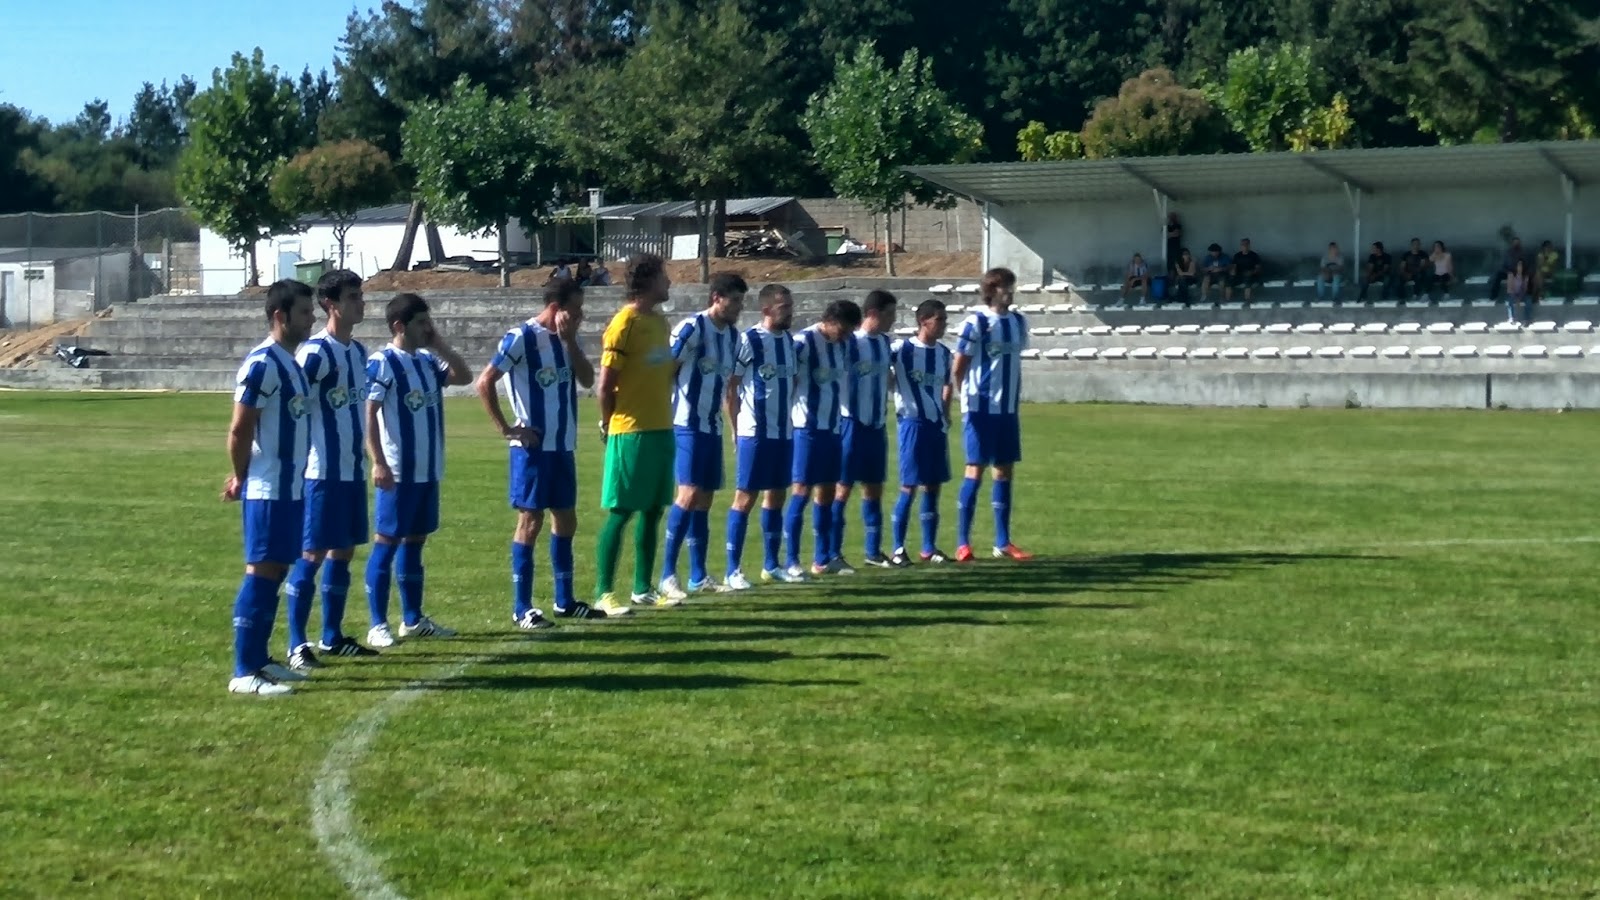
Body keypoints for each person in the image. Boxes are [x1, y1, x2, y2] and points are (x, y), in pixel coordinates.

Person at [475, 279, 602, 627]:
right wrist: (507, 429)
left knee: (567, 519)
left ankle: (565, 601)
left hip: (562, 446)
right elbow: (485, 381)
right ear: (556, 307)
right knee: (530, 521)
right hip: (532, 450)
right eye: (576, 308)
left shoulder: (568, 338)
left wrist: (570, 342)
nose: (581, 314)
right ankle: (522, 607)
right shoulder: (521, 337)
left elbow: (587, 379)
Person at [223, 279, 316, 696]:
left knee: (276, 570)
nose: (311, 319)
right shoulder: (261, 364)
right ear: (280, 316)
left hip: (290, 488)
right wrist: (241, 476)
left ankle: (260, 659)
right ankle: (244, 670)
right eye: (304, 312)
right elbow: (240, 428)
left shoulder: (291, 364)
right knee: (261, 571)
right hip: (267, 488)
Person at [363, 294, 472, 646]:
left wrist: (439, 344)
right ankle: (377, 624)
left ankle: (413, 618)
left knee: (415, 543)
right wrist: (378, 461)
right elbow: (369, 414)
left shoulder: (427, 361)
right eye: (421, 322)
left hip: (428, 470)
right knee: (386, 543)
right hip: (398, 472)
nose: (428, 328)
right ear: (399, 326)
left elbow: (464, 375)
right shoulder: (382, 362)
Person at [283, 270, 378, 672]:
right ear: (331, 305)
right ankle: (296, 644)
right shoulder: (315, 353)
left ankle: (332, 636)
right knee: (312, 553)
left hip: (351, 471)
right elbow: (291, 403)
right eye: (353, 297)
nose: (361, 303)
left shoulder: (358, 352)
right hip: (321, 471)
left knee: (344, 550)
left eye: (361, 296)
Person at [593, 253, 678, 613]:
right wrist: (608, 423)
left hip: (662, 428)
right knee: (622, 511)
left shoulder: (660, 322)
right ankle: (604, 592)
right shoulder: (624, 323)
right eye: (664, 276)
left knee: (654, 510)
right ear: (647, 281)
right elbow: (605, 386)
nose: (669, 282)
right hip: (631, 431)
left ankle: (643, 587)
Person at [658, 272, 745, 600]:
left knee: (705, 498)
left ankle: (698, 575)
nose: (738, 307)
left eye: (741, 301)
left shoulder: (733, 337)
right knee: (689, 493)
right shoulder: (692, 328)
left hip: (712, 426)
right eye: (733, 300)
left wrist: (733, 427)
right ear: (716, 298)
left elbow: (727, 386)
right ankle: (667, 574)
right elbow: (666, 368)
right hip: (686, 423)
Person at [951, 267, 1032, 563]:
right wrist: (966, 399)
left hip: (1007, 409)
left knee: (1004, 470)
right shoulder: (977, 322)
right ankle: (963, 543)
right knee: (975, 469)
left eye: (1011, 285)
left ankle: (1002, 542)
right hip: (980, 408)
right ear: (991, 290)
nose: (1009, 291)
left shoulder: (1019, 322)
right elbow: (959, 366)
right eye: (1003, 286)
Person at [723, 284, 801, 588]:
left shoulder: (789, 342)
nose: (790, 312)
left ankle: (772, 565)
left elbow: (792, 383)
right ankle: (733, 570)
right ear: (767, 309)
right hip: (754, 432)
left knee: (777, 496)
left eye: (790, 306)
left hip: (783, 432)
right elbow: (732, 387)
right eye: (784, 307)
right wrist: (735, 429)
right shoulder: (750, 340)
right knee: (745, 498)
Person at [786, 299, 864, 579]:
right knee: (801, 491)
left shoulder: (843, 345)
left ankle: (822, 559)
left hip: (833, 427)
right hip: (805, 429)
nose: (845, 336)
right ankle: (791, 560)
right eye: (843, 329)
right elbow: (788, 381)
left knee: (828, 491)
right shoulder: (803, 342)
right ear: (830, 320)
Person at [831, 289, 897, 570]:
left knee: (874, 488)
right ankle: (832, 552)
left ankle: (873, 551)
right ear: (873, 313)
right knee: (842, 489)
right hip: (850, 424)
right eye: (890, 314)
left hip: (876, 426)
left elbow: (889, 379)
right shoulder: (849, 343)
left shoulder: (884, 343)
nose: (893, 319)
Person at [889, 299, 954, 566]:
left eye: (945, 319)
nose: (944, 324)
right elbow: (879, 367)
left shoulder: (944, 353)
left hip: (935, 426)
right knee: (909, 485)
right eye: (939, 319)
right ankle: (897, 549)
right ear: (923, 321)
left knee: (933, 485)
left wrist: (945, 412)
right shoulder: (901, 349)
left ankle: (929, 548)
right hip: (912, 424)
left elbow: (947, 383)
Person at [1505, 259, 1533, 324]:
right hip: (1512, 293)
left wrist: (1519, 298)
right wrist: (1515, 297)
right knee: (1509, 301)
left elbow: (1525, 289)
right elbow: (1509, 289)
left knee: (1528, 300)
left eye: (1521, 266)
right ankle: (1511, 317)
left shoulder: (1525, 276)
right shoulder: (1511, 275)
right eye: (1518, 266)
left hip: (1521, 294)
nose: (1520, 268)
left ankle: (1527, 318)